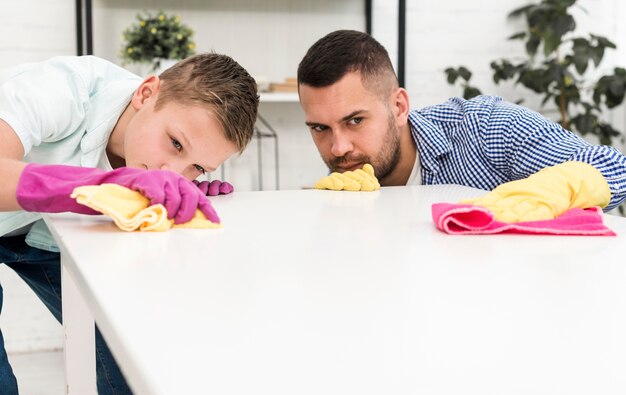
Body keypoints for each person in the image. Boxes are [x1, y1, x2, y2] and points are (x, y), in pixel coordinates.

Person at [0, 53, 259, 394]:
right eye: (176, 143)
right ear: (146, 93)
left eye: (197, 167)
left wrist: (178, 195)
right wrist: (100, 187)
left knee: (130, 356)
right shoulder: (63, 89)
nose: (173, 173)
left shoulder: (159, 160)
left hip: (41, 236)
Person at [297, 29, 626, 221]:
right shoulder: (347, 180)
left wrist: (553, 189)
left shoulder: (485, 128)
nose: (338, 149)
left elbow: (613, 166)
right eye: (320, 128)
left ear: (399, 107)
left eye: (355, 120)